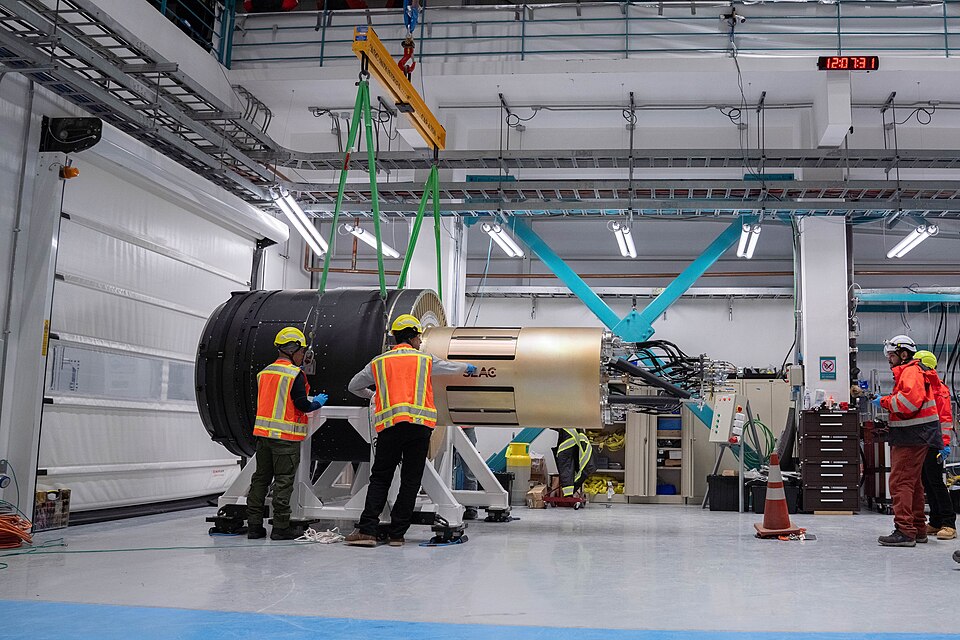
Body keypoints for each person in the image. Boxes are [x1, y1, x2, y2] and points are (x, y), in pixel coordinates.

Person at [345, 315, 476, 547]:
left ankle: (367, 531)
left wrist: (373, 394)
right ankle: (397, 534)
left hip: (390, 428)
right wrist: (468, 368)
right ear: (414, 336)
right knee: (410, 480)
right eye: (418, 337)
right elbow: (449, 367)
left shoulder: (379, 362)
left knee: (380, 478)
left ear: (395, 337)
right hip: (419, 428)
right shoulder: (424, 360)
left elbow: (353, 385)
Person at [247, 327, 327, 541]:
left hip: (263, 437)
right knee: (283, 481)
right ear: (293, 350)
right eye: (302, 351)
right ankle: (281, 527)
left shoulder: (264, 373)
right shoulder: (294, 374)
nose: (303, 356)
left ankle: (254, 526)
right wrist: (316, 403)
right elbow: (301, 404)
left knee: (260, 480)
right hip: (285, 438)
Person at [874, 335, 942, 547]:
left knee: (900, 482)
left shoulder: (911, 372)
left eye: (892, 355)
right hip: (917, 435)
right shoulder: (914, 371)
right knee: (913, 484)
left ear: (904, 354)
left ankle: (905, 531)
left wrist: (883, 401)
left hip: (911, 436)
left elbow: (907, 404)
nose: (889, 360)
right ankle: (918, 528)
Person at [912, 350, 957, 540]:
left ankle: (949, 523)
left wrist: (944, 444)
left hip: (935, 442)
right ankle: (936, 521)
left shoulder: (938, 389)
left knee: (936, 482)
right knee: (928, 481)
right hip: (925, 441)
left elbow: (945, 419)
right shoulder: (925, 386)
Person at [553, 428, 597, 498]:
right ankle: (569, 491)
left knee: (566, 467)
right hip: (572, 440)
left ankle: (568, 493)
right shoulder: (576, 425)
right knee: (569, 467)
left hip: (567, 443)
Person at [454, 426, 480, 520]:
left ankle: (471, 508)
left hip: (466, 425)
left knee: (470, 469)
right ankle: (448, 503)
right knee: (446, 467)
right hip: (447, 425)